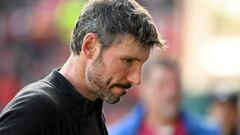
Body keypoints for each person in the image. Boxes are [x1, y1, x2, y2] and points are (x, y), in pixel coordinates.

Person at [0, 0, 164, 135]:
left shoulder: (92, 112)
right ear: (90, 46)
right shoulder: (37, 109)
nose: (136, 78)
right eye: (127, 61)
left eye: (140, 65)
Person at [108, 58, 220, 135]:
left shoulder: (208, 132)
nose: (172, 92)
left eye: (176, 84)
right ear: (143, 89)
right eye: (162, 85)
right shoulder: (118, 133)